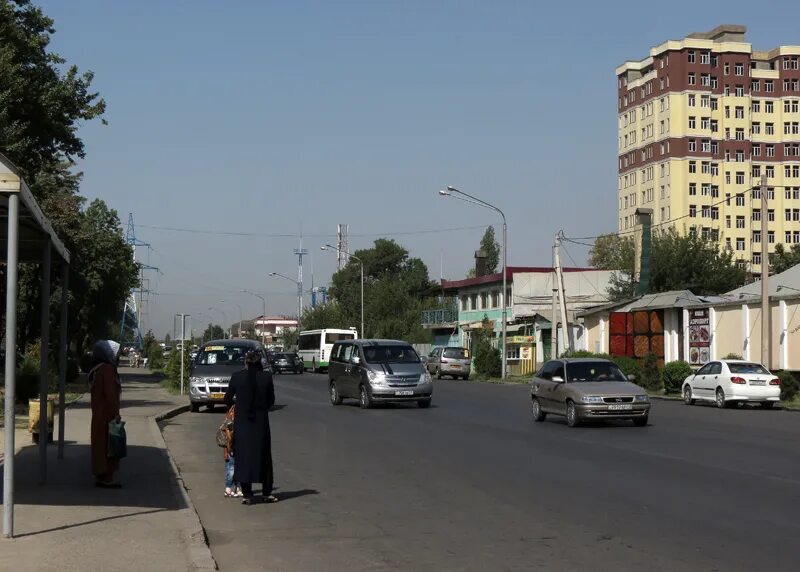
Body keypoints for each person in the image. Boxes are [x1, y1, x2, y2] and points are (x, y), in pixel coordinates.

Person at [224, 349, 276, 505]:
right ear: (260, 362)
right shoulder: (266, 378)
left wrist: (239, 406)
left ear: (245, 362)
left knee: (244, 457)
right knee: (264, 457)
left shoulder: (237, 377)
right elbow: (271, 401)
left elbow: (227, 399)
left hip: (242, 425)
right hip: (261, 425)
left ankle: (247, 494)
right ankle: (267, 493)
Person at [89, 340, 122, 488]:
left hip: (98, 414)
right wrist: (116, 413)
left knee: (99, 444)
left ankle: (100, 474)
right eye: (116, 354)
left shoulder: (97, 369)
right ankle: (106, 477)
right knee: (109, 446)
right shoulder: (108, 370)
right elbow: (110, 394)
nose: (118, 357)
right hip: (107, 415)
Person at [223, 405, 242, 498]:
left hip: (239, 450)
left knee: (239, 469)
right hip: (231, 450)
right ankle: (228, 488)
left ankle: (237, 487)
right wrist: (225, 452)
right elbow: (226, 440)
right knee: (230, 469)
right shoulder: (229, 424)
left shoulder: (240, 424)